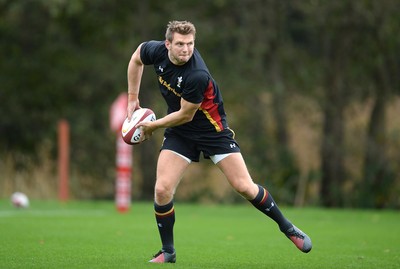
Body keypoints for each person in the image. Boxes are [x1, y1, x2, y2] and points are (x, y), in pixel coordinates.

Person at [126, 20, 312, 264]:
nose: (186, 49)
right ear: (167, 44)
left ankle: (287, 227)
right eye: (180, 44)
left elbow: (185, 115)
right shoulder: (156, 50)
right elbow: (136, 58)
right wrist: (132, 97)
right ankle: (168, 251)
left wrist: (153, 125)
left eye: (190, 44)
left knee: (244, 186)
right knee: (162, 189)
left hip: (212, 131)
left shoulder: (196, 75)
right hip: (180, 133)